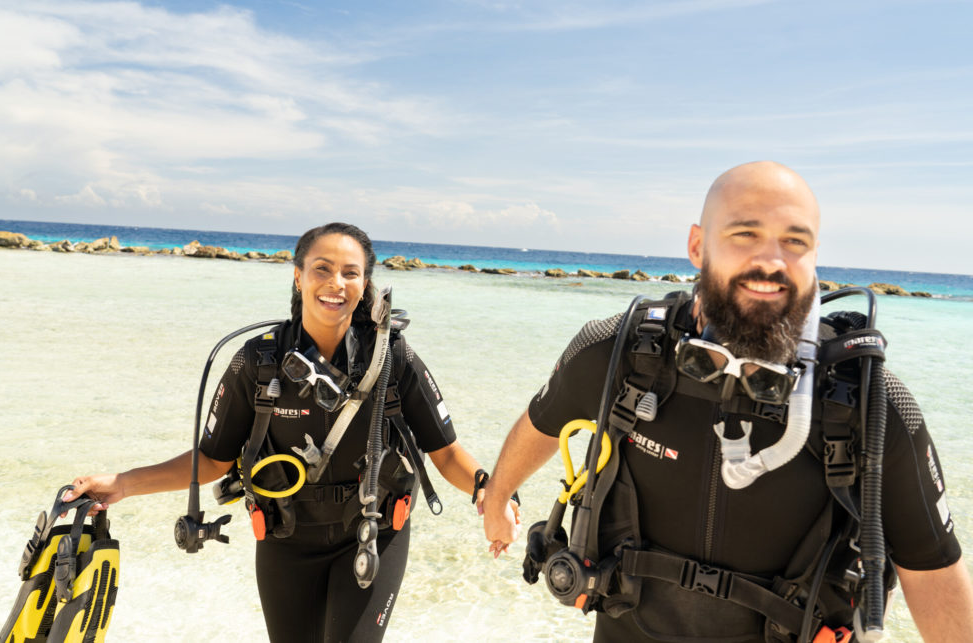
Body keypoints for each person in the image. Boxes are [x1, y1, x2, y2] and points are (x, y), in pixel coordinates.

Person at [482, 162, 973, 642]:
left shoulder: (870, 403)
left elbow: (932, 573)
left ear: (815, 255)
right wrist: (499, 499)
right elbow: (544, 421)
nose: (771, 260)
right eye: (745, 233)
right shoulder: (623, 352)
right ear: (698, 245)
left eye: (795, 241)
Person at [65, 222, 519, 642]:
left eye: (350, 273)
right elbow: (212, 461)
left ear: (365, 286)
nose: (336, 283)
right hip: (286, 540)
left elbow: (445, 452)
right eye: (322, 269)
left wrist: (492, 492)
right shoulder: (257, 363)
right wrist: (123, 484)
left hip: (373, 533)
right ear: (298, 276)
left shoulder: (392, 360)